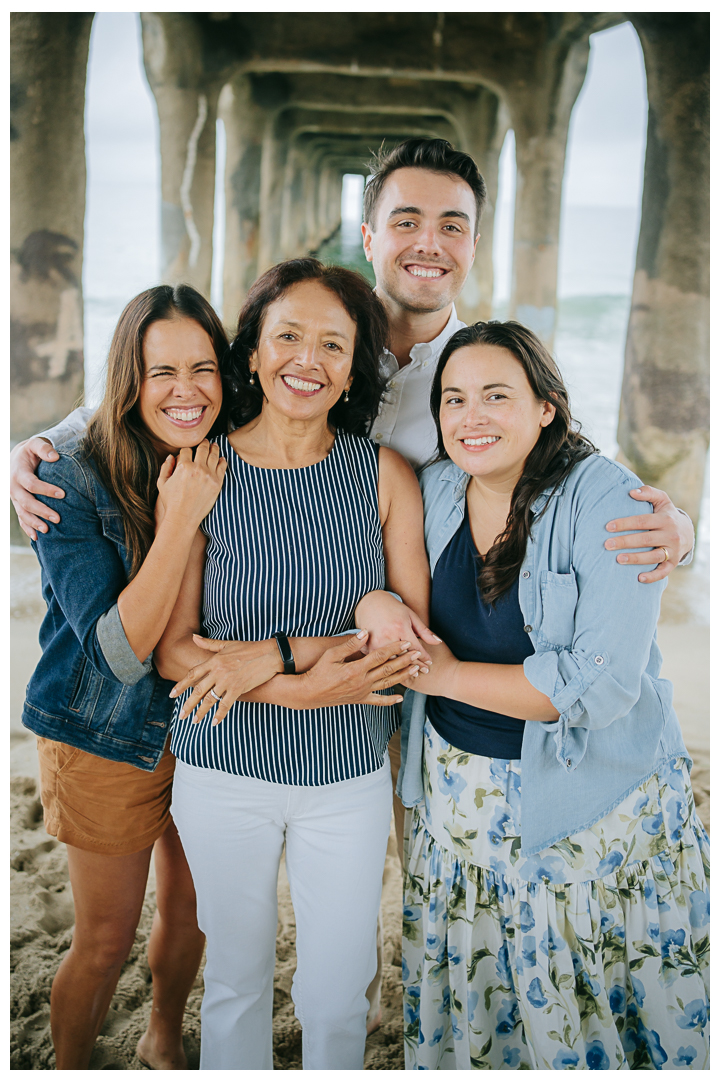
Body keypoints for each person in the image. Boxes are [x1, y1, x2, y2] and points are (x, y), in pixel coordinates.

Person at [10, 137, 697, 1029]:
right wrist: (39, 445)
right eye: (405, 219)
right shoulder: (299, 353)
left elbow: (568, 458)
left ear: (474, 246)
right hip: (271, 714)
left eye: (453, 225)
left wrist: (677, 528)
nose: (428, 242)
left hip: (404, 693)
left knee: (397, 916)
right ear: (368, 235)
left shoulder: (469, 370)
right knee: (224, 949)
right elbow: (168, 374)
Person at [388, 321, 709, 1069]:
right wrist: (375, 606)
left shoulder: (608, 500)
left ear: (547, 408)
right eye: (454, 399)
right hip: (457, 803)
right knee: (484, 988)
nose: (472, 417)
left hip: (586, 805)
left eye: (497, 395)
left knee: (582, 986)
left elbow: (597, 685)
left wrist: (447, 678)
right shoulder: (435, 487)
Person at [153, 258, 435, 1070]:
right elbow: (176, 650)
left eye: (333, 346)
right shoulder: (202, 470)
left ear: (352, 371)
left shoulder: (383, 476)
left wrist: (269, 663)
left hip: (346, 780)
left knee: (338, 987)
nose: (306, 360)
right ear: (251, 353)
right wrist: (307, 690)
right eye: (287, 337)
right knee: (236, 980)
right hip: (219, 770)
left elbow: (406, 638)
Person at [20, 284, 232, 1070]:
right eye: (161, 371)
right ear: (127, 376)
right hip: (100, 726)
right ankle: (70, 1062)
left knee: (194, 911)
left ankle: (163, 1035)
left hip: (210, 723)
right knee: (104, 938)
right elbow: (116, 651)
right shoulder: (66, 477)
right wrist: (179, 518)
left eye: (204, 369)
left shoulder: (232, 445)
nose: (186, 391)